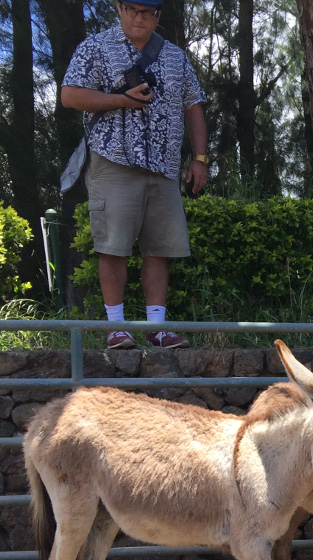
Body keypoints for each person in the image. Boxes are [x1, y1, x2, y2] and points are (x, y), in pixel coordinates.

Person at [60, 0, 208, 350]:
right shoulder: (95, 47)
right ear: (119, 8)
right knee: (113, 247)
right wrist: (121, 100)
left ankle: (157, 328)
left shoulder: (176, 57)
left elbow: (194, 106)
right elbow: (69, 95)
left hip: (164, 167)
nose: (139, 17)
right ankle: (118, 329)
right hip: (113, 161)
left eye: (148, 11)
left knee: (160, 248)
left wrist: (200, 158)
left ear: (158, 15)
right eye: (132, 9)